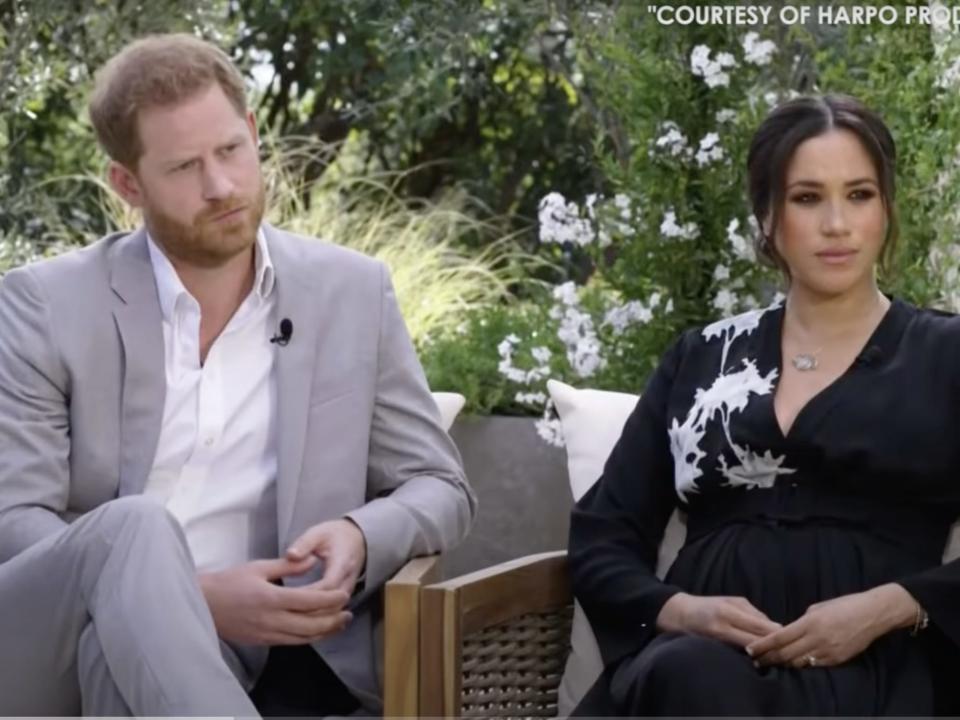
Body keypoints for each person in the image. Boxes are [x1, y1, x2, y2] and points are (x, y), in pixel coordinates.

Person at [0, 33, 476, 717]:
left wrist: (359, 533)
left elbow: (443, 486)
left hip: (270, 659)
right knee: (134, 532)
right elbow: (14, 522)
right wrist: (188, 598)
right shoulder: (45, 304)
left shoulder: (351, 291)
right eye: (185, 167)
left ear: (253, 133)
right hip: (49, 647)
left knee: (119, 659)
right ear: (128, 185)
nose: (220, 186)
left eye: (230, 150)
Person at [568, 93, 960, 715]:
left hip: (877, 672)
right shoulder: (701, 357)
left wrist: (890, 606)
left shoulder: (946, 356)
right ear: (768, 218)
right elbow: (604, 534)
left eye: (859, 194)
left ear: (887, 209)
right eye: (808, 198)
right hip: (695, 673)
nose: (837, 224)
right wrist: (678, 610)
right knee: (693, 678)